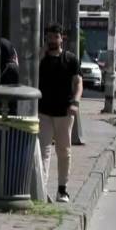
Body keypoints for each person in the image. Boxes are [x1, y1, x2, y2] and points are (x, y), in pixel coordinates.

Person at [38, 24, 83, 203]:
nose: (51, 40)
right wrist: (41, 53)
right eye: (48, 37)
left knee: (64, 151)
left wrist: (76, 102)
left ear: (61, 38)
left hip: (64, 112)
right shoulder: (42, 58)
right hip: (44, 112)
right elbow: (31, 70)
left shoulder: (70, 59)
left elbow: (78, 83)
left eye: (55, 37)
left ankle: (62, 190)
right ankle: (42, 188)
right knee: (43, 151)